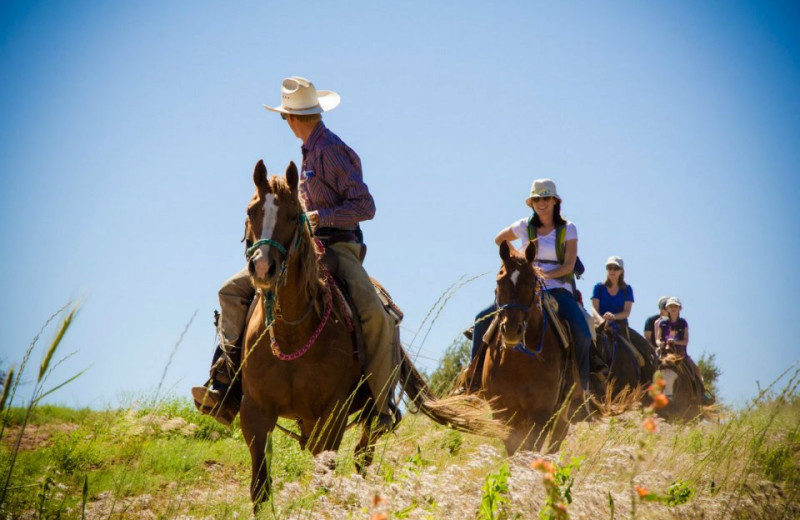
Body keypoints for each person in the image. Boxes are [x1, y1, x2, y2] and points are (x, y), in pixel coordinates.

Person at [192, 77, 399, 431]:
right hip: (299, 247)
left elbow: (366, 206)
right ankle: (226, 382)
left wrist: (322, 217)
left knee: (375, 314)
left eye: (285, 117)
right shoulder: (306, 152)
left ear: (291, 117)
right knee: (232, 291)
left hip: (337, 247)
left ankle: (380, 408)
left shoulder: (330, 150)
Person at [470, 179, 591, 393]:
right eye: (537, 199)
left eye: (545, 198)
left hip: (557, 288)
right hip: (524, 287)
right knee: (481, 319)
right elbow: (499, 239)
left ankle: (582, 388)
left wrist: (544, 275)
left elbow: (569, 265)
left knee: (582, 331)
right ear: (531, 203)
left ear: (554, 201)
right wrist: (518, 262)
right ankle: (471, 384)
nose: (541, 203)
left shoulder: (568, 229)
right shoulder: (524, 226)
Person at [655, 297, 713, 404]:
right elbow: (658, 339)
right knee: (652, 366)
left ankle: (701, 393)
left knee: (695, 369)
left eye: (675, 306)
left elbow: (685, 341)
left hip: (680, 354)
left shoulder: (683, 323)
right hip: (665, 353)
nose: (673, 308)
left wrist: (675, 342)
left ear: (679, 309)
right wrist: (661, 343)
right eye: (671, 306)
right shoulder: (662, 323)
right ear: (667, 308)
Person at [591, 256, 634, 334]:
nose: (612, 271)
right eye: (609, 267)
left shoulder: (627, 289)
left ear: (621, 271)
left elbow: (627, 312)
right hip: (600, 325)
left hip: (621, 327)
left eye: (615, 268)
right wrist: (602, 321)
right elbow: (594, 309)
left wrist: (613, 316)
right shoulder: (598, 287)